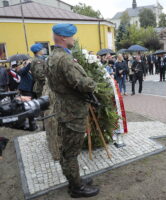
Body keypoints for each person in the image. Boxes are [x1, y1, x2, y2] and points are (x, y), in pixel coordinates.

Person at [46, 23, 99, 198]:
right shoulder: (65, 59)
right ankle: (76, 188)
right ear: (63, 37)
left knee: (68, 149)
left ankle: (75, 181)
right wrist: (93, 82)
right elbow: (81, 83)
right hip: (73, 112)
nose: (73, 39)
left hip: (64, 108)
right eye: (71, 36)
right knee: (71, 152)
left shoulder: (52, 57)